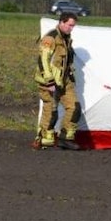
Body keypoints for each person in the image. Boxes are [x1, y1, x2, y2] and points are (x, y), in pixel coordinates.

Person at [34, 12, 81, 150]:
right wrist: (49, 82)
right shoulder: (51, 38)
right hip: (49, 82)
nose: (71, 28)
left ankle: (65, 139)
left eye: (73, 26)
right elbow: (43, 60)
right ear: (62, 22)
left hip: (65, 81)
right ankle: (44, 140)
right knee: (51, 112)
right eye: (70, 25)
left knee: (75, 108)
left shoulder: (67, 38)